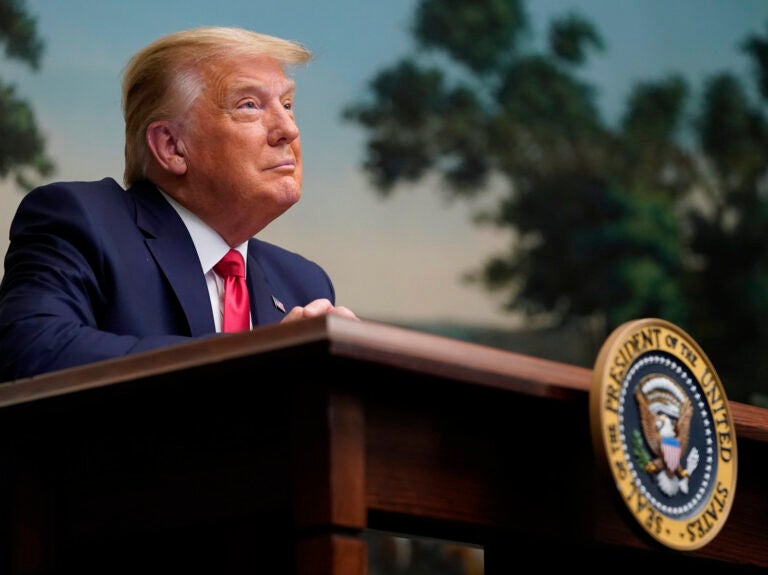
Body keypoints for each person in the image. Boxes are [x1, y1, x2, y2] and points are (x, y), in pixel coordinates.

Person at [0, 26, 357, 382]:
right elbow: (30, 349)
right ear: (171, 147)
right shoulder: (81, 221)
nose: (288, 130)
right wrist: (255, 360)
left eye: (288, 105)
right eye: (249, 105)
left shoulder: (303, 283)